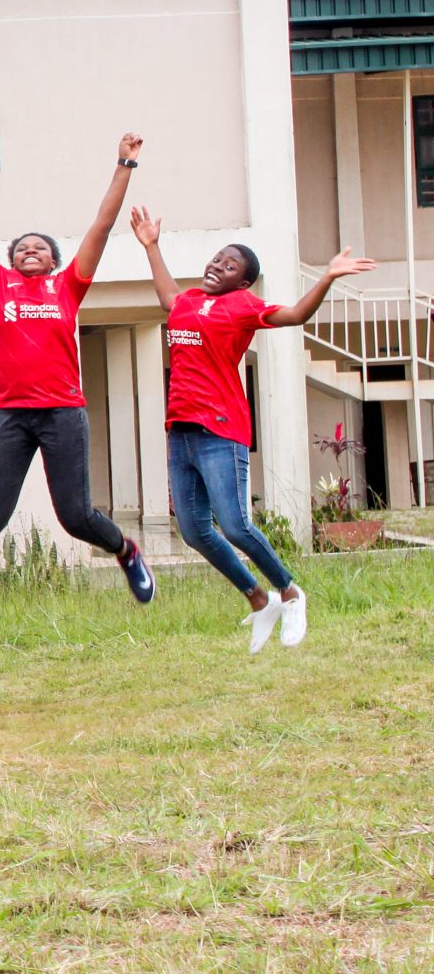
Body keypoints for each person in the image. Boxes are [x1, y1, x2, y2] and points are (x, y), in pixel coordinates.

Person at [0, 129, 157, 608]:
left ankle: (126, 551)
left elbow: (101, 226)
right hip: (11, 414)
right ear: (10, 260)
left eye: (40, 247)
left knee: (75, 517)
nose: (30, 249)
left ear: (54, 261)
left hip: (62, 413)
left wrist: (124, 164)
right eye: (22, 247)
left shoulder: (67, 287)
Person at [131, 208, 372, 649]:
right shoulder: (187, 302)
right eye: (217, 259)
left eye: (229, 266)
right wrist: (151, 246)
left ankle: (290, 592)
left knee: (236, 525)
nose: (217, 266)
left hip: (220, 431)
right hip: (181, 431)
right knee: (194, 531)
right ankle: (259, 599)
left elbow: (295, 315)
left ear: (242, 283)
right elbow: (168, 296)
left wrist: (327, 277)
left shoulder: (242, 306)